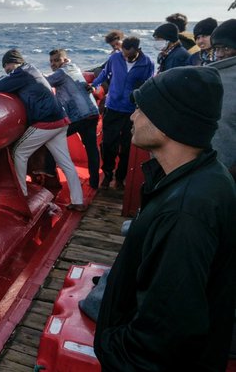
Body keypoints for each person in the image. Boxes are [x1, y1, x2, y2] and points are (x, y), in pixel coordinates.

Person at [94, 66, 236, 371]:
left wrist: (111, 345)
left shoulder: (184, 212)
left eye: (141, 108)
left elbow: (164, 336)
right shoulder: (205, 177)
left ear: (167, 123)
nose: (133, 117)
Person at [0, 49, 86, 210]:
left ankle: (21, 195)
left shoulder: (20, 73)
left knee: (18, 152)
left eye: (6, 67)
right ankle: (78, 201)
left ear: (11, 63)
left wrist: (6, 76)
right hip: (61, 120)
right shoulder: (32, 70)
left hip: (46, 122)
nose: (6, 70)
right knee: (66, 163)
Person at [91, 36, 155, 189]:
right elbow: (104, 74)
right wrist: (93, 85)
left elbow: (149, 84)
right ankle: (107, 175)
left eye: (131, 56)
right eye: (124, 54)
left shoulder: (148, 63)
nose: (127, 58)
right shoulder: (115, 58)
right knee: (108, 144)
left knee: (127, 147)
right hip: (112, 107)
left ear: (138, 50)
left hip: (131, 111)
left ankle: (120, 178)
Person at [45, 49, 101, 189]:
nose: (53, 63)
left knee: (51, 140)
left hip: (79, 117)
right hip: (92, 113)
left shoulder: (61, 73)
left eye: (57, 60)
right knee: (91, 148)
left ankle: (51, 179)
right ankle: (94, 183)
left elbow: (44, 82)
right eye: (51, 61)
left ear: (64, 60)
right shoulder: (74, 67)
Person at [210, 18, 236, 180]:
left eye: (226, 48)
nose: (219, 55)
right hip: (212, 168)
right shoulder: (213, 76)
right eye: (216, 49)